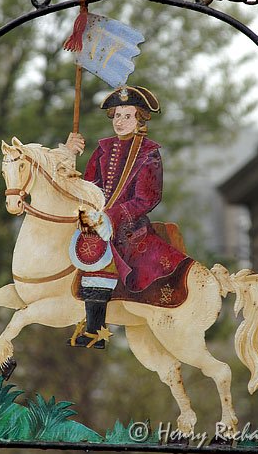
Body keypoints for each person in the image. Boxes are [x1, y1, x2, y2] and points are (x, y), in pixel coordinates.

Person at [66, 86, 186, 348]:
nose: (120, 122)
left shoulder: (149, 153)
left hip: (129, 226)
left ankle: (95, 331)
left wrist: (112, 217)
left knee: (101, 259)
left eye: (127, 116)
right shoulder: (103, 149)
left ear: (140, 119)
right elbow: (87, 187)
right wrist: (69, 155)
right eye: (117, 115)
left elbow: (148, 198)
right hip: (94, 218)